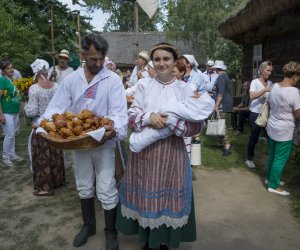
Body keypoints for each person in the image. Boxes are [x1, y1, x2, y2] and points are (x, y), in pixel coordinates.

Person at [40, 33, 128, 249]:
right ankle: (89, 226)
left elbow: (119, 113)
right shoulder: (71, 80)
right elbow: (56, 107)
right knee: (84, 185)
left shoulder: (112, 80)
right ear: (82, 55)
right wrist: (42, 123)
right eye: (93, 59)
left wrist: (113, 128)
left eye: (101, 59)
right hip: (78, 142)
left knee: (107, 186)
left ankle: (110, 231)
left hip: (104, 141)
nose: (98, 63)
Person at [116, 43, 204, 250]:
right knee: (145, 195)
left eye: (166, 59)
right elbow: (131, 117)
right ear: (152, 62)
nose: (162, 63)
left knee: (167, 196)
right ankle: (148, 240)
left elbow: (197, 124)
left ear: (175, 62)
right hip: (145, 153)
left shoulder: (186, 88)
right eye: (157, 59)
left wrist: (173, 124)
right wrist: (149, 117)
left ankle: (165, 240)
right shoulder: (144, 85)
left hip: (172, 152)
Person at [24, 59, 65, 196]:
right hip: (54, 125)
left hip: (40, 125)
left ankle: (44, 187)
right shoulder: (56, 86)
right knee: (55, 152)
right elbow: (61, 105)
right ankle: (57, 180)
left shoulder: (34, 88)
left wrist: (25, 107)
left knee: (42, 155)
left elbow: (32, 110)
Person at [265, 61, 300, 196]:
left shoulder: (274, 86)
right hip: (284, 130)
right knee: (280, 158)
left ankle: (270, 179)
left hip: (272, 126)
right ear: (295, 76)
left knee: (273, 155)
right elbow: (298, 114)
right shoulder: (294, 92)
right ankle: (273, 185)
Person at [245, 61, 273, 169]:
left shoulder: (270, 83)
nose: (270, 73)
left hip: (266, 113)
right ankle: (249, 159)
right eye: (268, 70)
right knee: (254, 137)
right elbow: (251, 96)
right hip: (255, 113)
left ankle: (270, 160)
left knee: (270, 137)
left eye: (271, 71)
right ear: (261, 70)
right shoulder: (255, 82)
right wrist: (264, 90)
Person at [0, 59, 23, 167]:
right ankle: (5, 157)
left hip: (15, 111)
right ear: (3, 71)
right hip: (6, 112)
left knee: (13, 134)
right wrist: (0, 115)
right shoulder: (2, 80)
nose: (11, 70)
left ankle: (12, 154)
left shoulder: (14, 80)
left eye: (12, 67)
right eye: (8, 68)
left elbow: (17, 95)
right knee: (9, 135)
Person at [211, 60, 233, 156]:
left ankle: (227, 145)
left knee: (221, 124)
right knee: (219, 123)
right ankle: (220, 143)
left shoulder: (221, 77)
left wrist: (216, 105)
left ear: (216, 69)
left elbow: (221, 92)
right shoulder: (225, 76)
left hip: (222, 104)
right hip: (224, 102)